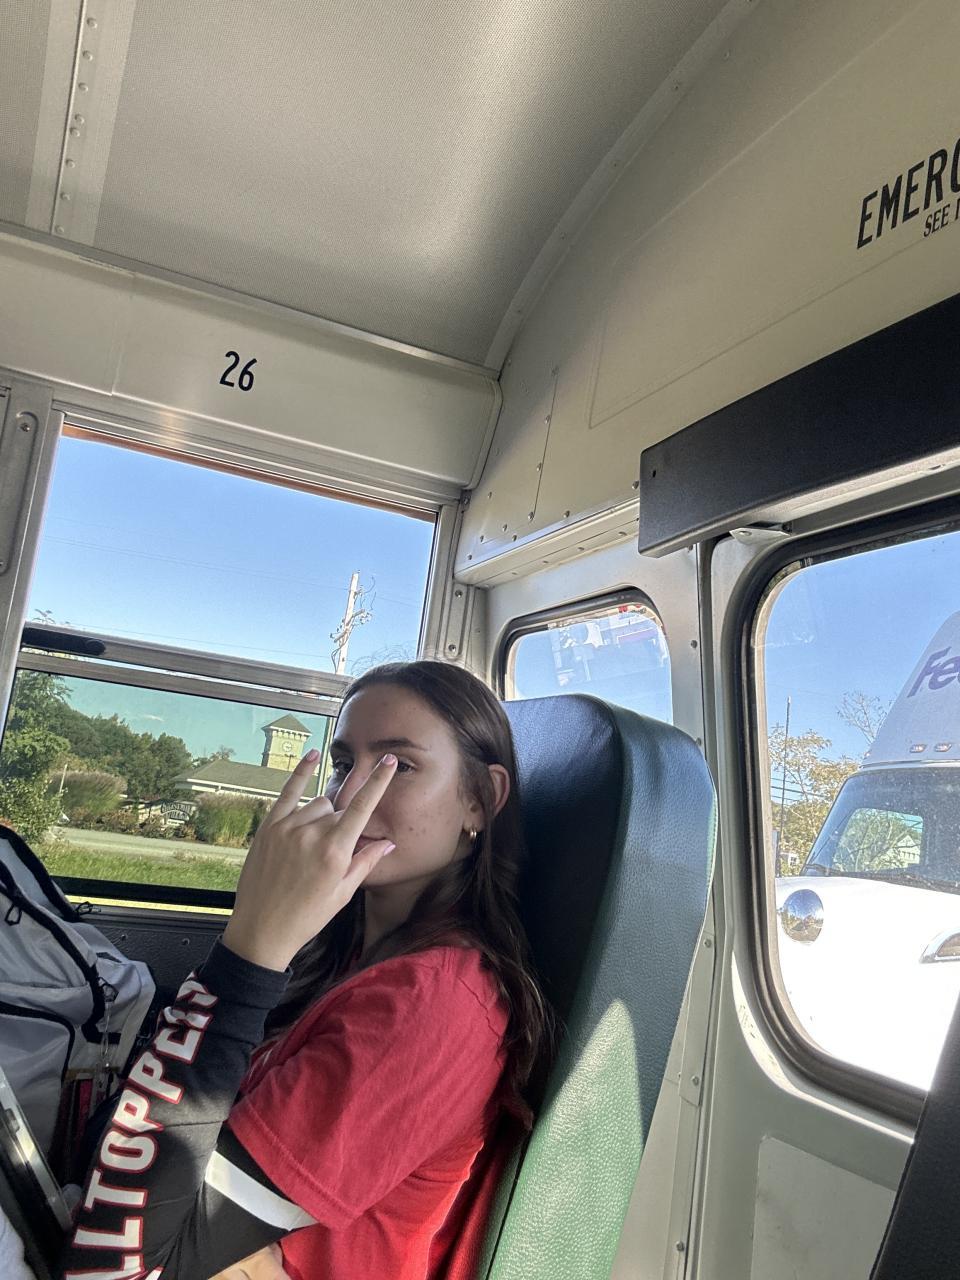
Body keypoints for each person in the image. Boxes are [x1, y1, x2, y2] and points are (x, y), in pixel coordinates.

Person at [59, 661, 553, 1280]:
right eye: (344, 765)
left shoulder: (433, 1000)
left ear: (479, 800)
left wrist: (248, 952)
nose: (350, 795)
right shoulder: (340, 952)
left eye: (398, 765)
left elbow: (113, 1262)